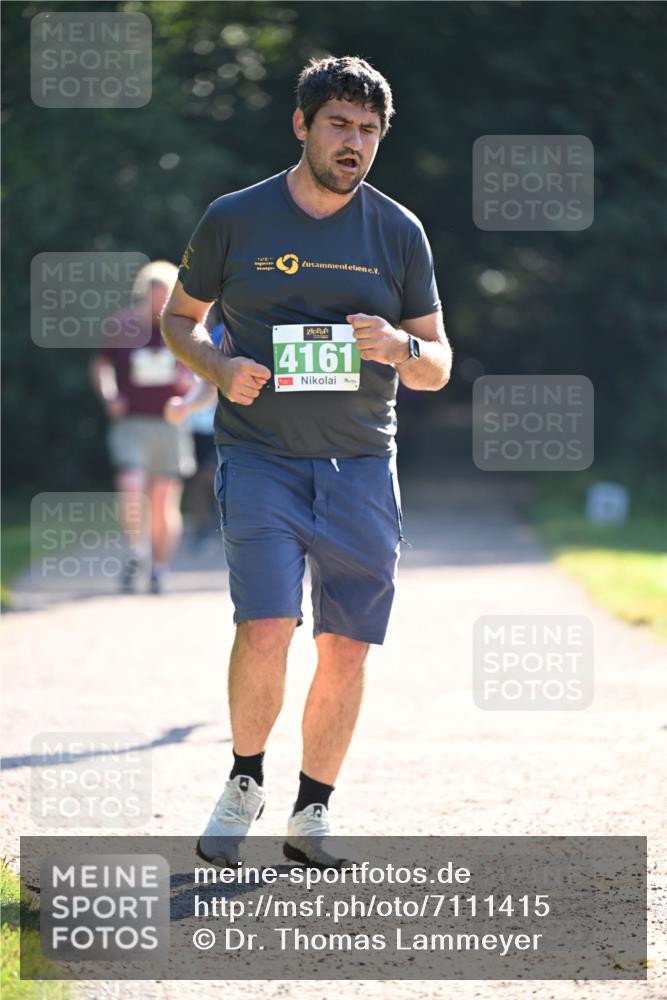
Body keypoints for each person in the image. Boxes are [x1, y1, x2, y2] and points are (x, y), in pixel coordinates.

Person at [161, 55, 452, 867]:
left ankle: (312, 809)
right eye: (338, 124)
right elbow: (179, 318)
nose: (353, 141)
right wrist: (218, 367)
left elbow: (437, 363)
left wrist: (400, 348)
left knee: (346, 644)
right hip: (260, 458)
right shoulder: (234, 217)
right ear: (301, 125)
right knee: (265, 624)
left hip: (360, 464)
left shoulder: (398, 231)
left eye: (368, 129)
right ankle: (244, 779)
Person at [90, 260, 195, 595]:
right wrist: (110, 396)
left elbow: (202, 371)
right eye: (155, 298)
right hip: (132, 422)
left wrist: (188, 385)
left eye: (166, 298)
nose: (160, 305)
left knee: (163, 500)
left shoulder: (183, 327)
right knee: (131, 487)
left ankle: (159, 569)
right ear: (143, 294)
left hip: (170, 422)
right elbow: (101, 365)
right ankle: (137, 552)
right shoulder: (121, 325)